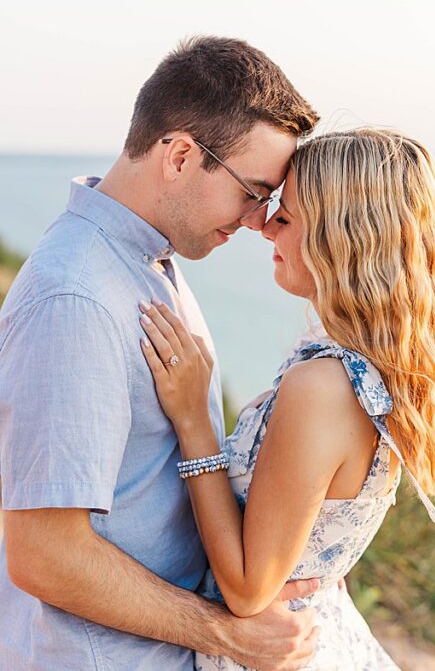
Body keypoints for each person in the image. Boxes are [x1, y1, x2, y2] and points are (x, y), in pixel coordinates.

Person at [0, 36, 322, 670]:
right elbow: (43, 552)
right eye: (253, 192)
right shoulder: (77, 298)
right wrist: (226, 633)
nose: (260, 221)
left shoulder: (148, 260)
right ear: (179, 156)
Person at [136, 128, 435, 668]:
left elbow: (248, 590)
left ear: (342, 237)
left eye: (287, 215)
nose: (265, 226)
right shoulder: (374, 369)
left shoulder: (324, 385)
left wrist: (194, 422)